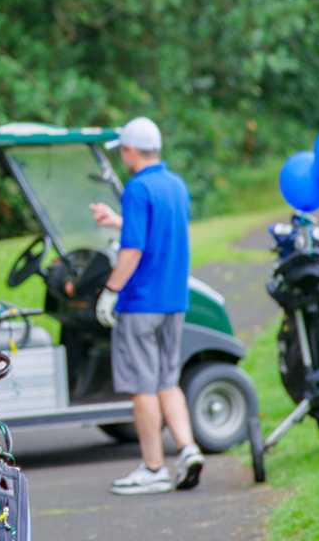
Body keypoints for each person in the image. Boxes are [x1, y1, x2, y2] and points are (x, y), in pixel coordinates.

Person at [89, 116, 205, 495]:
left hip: (141, 303)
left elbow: (134, 249)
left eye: (123, 150)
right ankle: (187, 449)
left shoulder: (137, 187)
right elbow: (158, 232)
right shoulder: (176, 184)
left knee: (143, 388)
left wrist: (110, 289)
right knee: (167, 380)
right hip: (174, 300)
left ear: (131, 150)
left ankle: (153, 467)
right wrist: (118, 221)